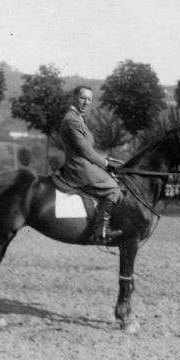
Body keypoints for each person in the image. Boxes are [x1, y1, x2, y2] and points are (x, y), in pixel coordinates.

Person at [58, 85, 122, 244]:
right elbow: (85, 151)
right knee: (114, 189)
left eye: (89, 100)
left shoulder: (78, 118)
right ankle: (101, 230)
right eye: (82, 98)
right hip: (78, 167)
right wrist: (106, 163)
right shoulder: (72, 120)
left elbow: (89, 148)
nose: (86, 103)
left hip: (85, 164)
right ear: (73, 98)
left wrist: (108, 160)